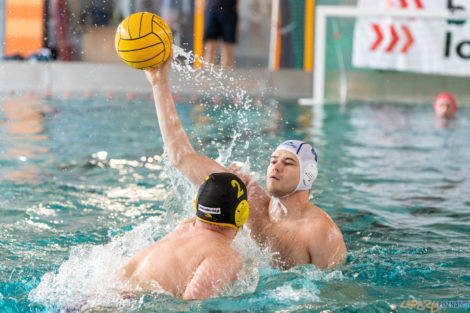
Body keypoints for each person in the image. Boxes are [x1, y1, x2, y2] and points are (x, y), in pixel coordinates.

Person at [144, 50, 347, 270]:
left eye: (288, 163)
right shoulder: (245, 197)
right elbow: (181, 157)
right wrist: (159, 83)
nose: (275, 167)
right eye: (273, 161)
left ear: (308, 175)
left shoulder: (320, 232)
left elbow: (334, 290)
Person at [121, 172, 249, 300]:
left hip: (115, 289)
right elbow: (192, 305)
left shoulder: (185, 227)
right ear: (242, 212)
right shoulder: (225, 256)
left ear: (196, 204)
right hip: (137, 301)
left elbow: (210, 208)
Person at [203, 0, 238, 68]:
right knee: (210, 48)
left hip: (230, 10)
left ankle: (227, 75)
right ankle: (207, 74)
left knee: (228, 49)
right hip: (212, 10)